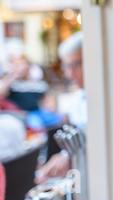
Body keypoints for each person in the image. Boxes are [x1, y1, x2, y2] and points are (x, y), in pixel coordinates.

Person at [35, 32, 86, 184]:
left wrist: (68, 156)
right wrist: (66, 155)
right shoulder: (79, 97)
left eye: (75, 65)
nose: (70, 74)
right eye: (66, 66)